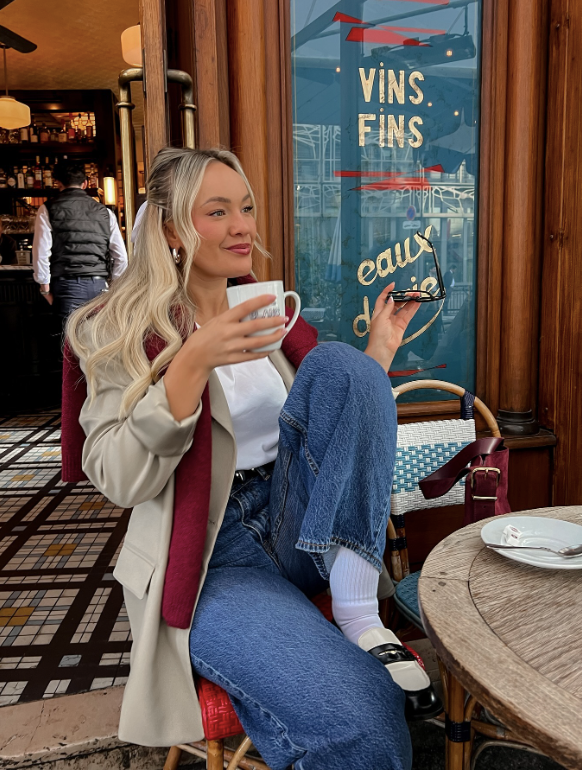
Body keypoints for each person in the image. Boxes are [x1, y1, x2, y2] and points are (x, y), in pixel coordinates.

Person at [65, 148, 441, 770]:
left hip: (301, 520)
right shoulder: (119, 330)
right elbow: (117, 479)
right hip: (215, 557)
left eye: (246, 207)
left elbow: (337, 433)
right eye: (219, 211)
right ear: (170, 230)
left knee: (344, 366)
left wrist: (379, 350)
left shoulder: (270, 316)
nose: (244, 225)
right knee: (364, 717)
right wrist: (189, 363)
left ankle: (358, 616)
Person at [32, 160, 128, 325]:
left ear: (58, 183)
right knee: (97, 343)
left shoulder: (48, 209)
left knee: (69, 344)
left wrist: (45, 290)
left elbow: (41, 253)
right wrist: (114, 288)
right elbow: (121, 258)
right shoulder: (105, 212)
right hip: (100, 286)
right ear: (84, 184)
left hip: (66, 287)